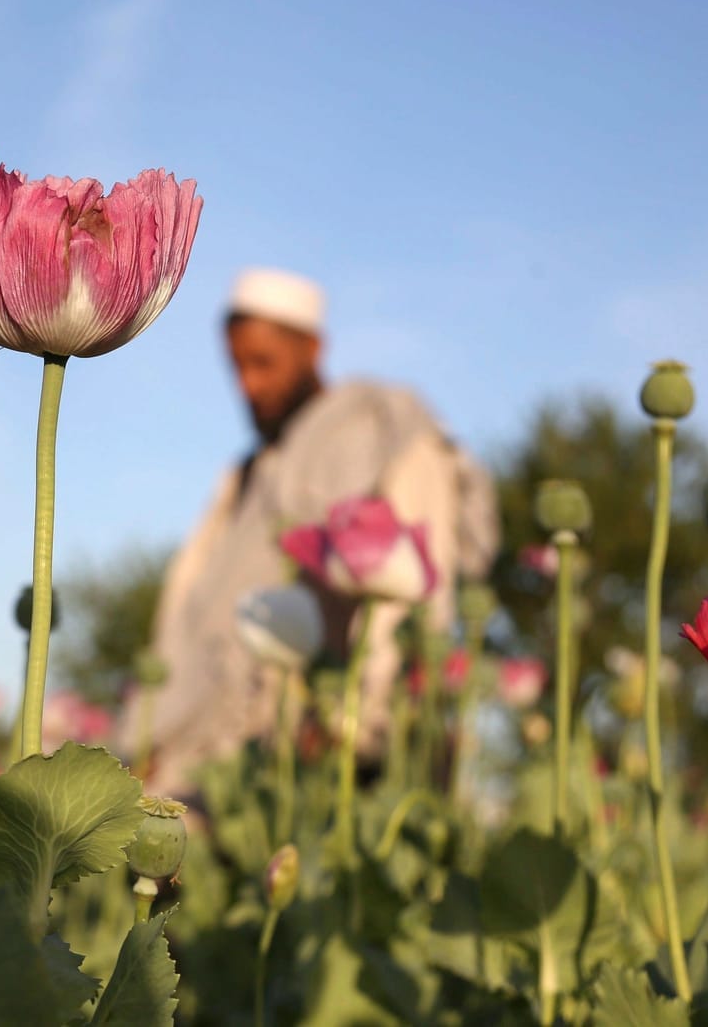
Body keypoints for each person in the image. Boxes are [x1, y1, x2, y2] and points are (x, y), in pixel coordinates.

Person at [136, 267, 498, 796]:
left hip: (332, 755)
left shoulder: (382, 428)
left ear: (312, 348)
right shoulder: (247, 478)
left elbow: (418, 591)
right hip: (212, 764)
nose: (248, 386)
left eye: (263, 364)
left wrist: (354, 723)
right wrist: (153, 733)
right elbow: (187, 617)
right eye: (236, 367)